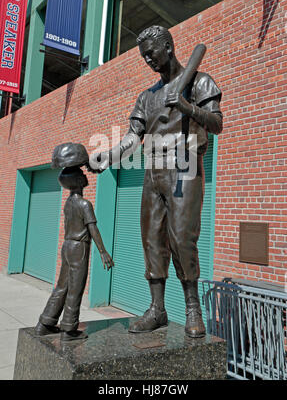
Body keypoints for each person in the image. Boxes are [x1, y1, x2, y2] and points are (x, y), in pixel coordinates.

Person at [89, 25, 223, 337]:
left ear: (168, 46)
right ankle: (157, 309)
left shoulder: (200, 82)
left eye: (152, 52)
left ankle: (192, 309)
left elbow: (216, 124)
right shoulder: (146, 98)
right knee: (152, 239)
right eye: (143, 55)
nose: (148, 58)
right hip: (153, 169)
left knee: (181, 237)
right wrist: (107, 156)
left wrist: (186, 106)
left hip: (185, 162)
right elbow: (132, 139)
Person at [35, 164, 114, 341]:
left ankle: (45, 323)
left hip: (67, 246)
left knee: (62, 286)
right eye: (82, 174)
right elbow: (93, 229)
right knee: (75, 289)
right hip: (79, 248)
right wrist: (103, 252)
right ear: (78, 181)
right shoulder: (84, 204)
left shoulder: (68, 203)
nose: (85, 176)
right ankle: (69, 330)